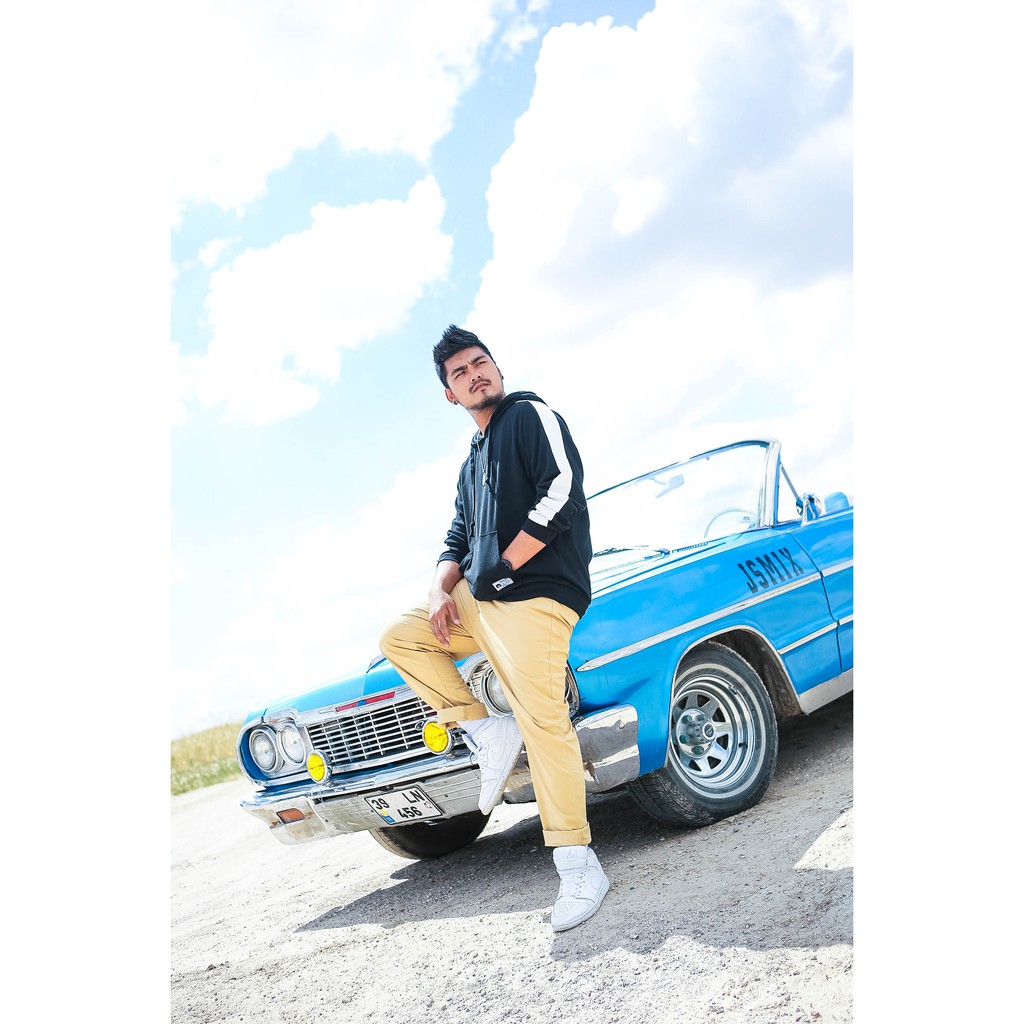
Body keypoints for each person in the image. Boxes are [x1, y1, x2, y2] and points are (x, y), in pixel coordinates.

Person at [378, 325, 610, 932]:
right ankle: (486, 727)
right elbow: (457, 534)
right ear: (450, 394)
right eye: (460, 372)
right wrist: (439, 591)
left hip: (536, 594)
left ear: (497, 369)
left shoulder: (529, 416)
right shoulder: (471, 462)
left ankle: (578, 863)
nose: (474, 374)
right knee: (401, 637)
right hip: (481, 599)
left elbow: (561, 491)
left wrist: (507, 565)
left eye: (480, 363)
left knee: (544, 720)